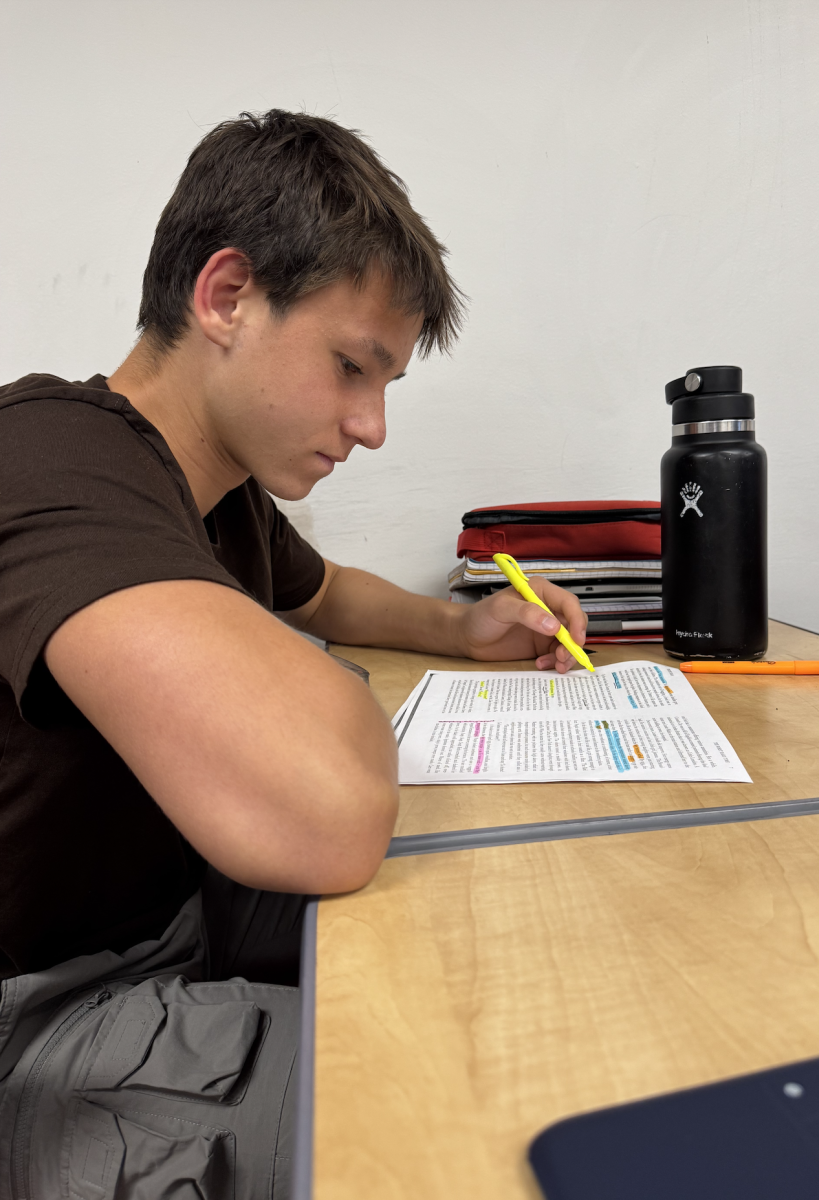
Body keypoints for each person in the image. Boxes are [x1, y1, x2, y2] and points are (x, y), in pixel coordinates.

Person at [0, 110, 587, 1197]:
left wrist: (463, 627)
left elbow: (328, 595)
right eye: (350, 367)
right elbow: (325, 811)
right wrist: (341, 700)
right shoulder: (45, 457)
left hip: (176, 925)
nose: (370, 427)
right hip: (50, 1024)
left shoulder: (221, 496)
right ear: (225, 296)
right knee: (496, 1107)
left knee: (542, 963)